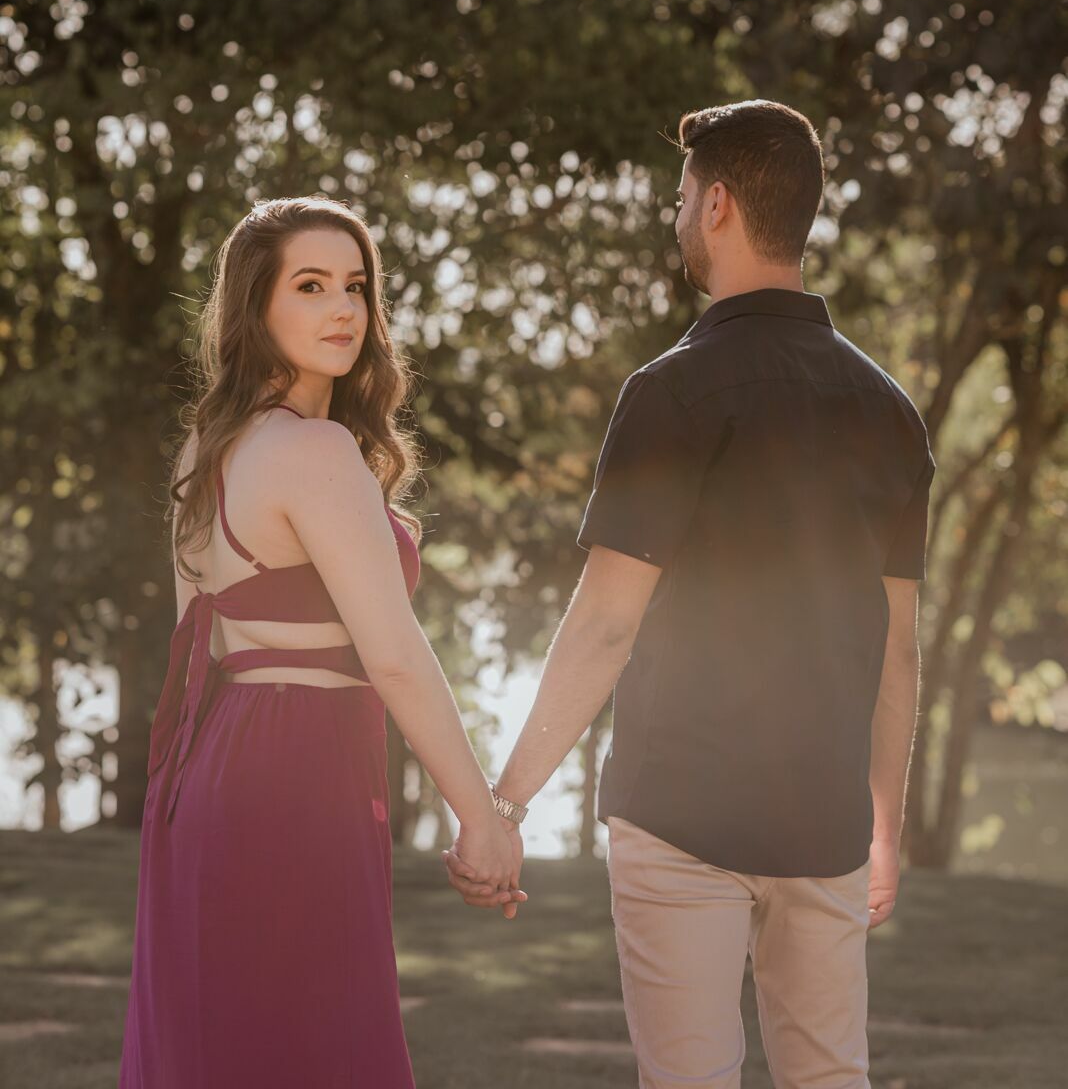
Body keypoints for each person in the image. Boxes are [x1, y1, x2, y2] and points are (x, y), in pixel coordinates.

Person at [446, 100, 934, 1089]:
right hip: (826, 823)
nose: (676, 219)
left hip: (680, 814)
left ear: (716, 205)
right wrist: (883, 826)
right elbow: (898, 650)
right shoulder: (889, 411)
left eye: (680, 199)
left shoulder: (670, 391)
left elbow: (606, 622)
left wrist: (506, 801)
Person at [119, 195, 523, 1089]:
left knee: (231, 1049)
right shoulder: (316, 450)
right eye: (310, 286)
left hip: (208, 774)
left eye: (356, 286)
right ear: (255, 304)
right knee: (316, 1052)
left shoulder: (205, 448)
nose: (344, 308)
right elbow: (395, 658)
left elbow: (201, 644)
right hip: (297, 771)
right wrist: (482, 818)